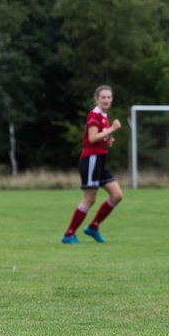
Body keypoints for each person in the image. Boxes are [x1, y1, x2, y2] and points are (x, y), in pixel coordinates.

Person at [61, 85, 124, 243]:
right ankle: (68, 234)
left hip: (100, 160)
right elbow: (92, 138)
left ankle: (93, 227)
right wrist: (112, 129)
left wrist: (108, 140)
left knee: (117, 195)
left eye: (109, 97)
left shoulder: (103, 115)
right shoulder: (94, 115)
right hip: (91, 160)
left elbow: (100, 137)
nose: (106, 100)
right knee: (89, 199)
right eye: (103, 97)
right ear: (96, 99)